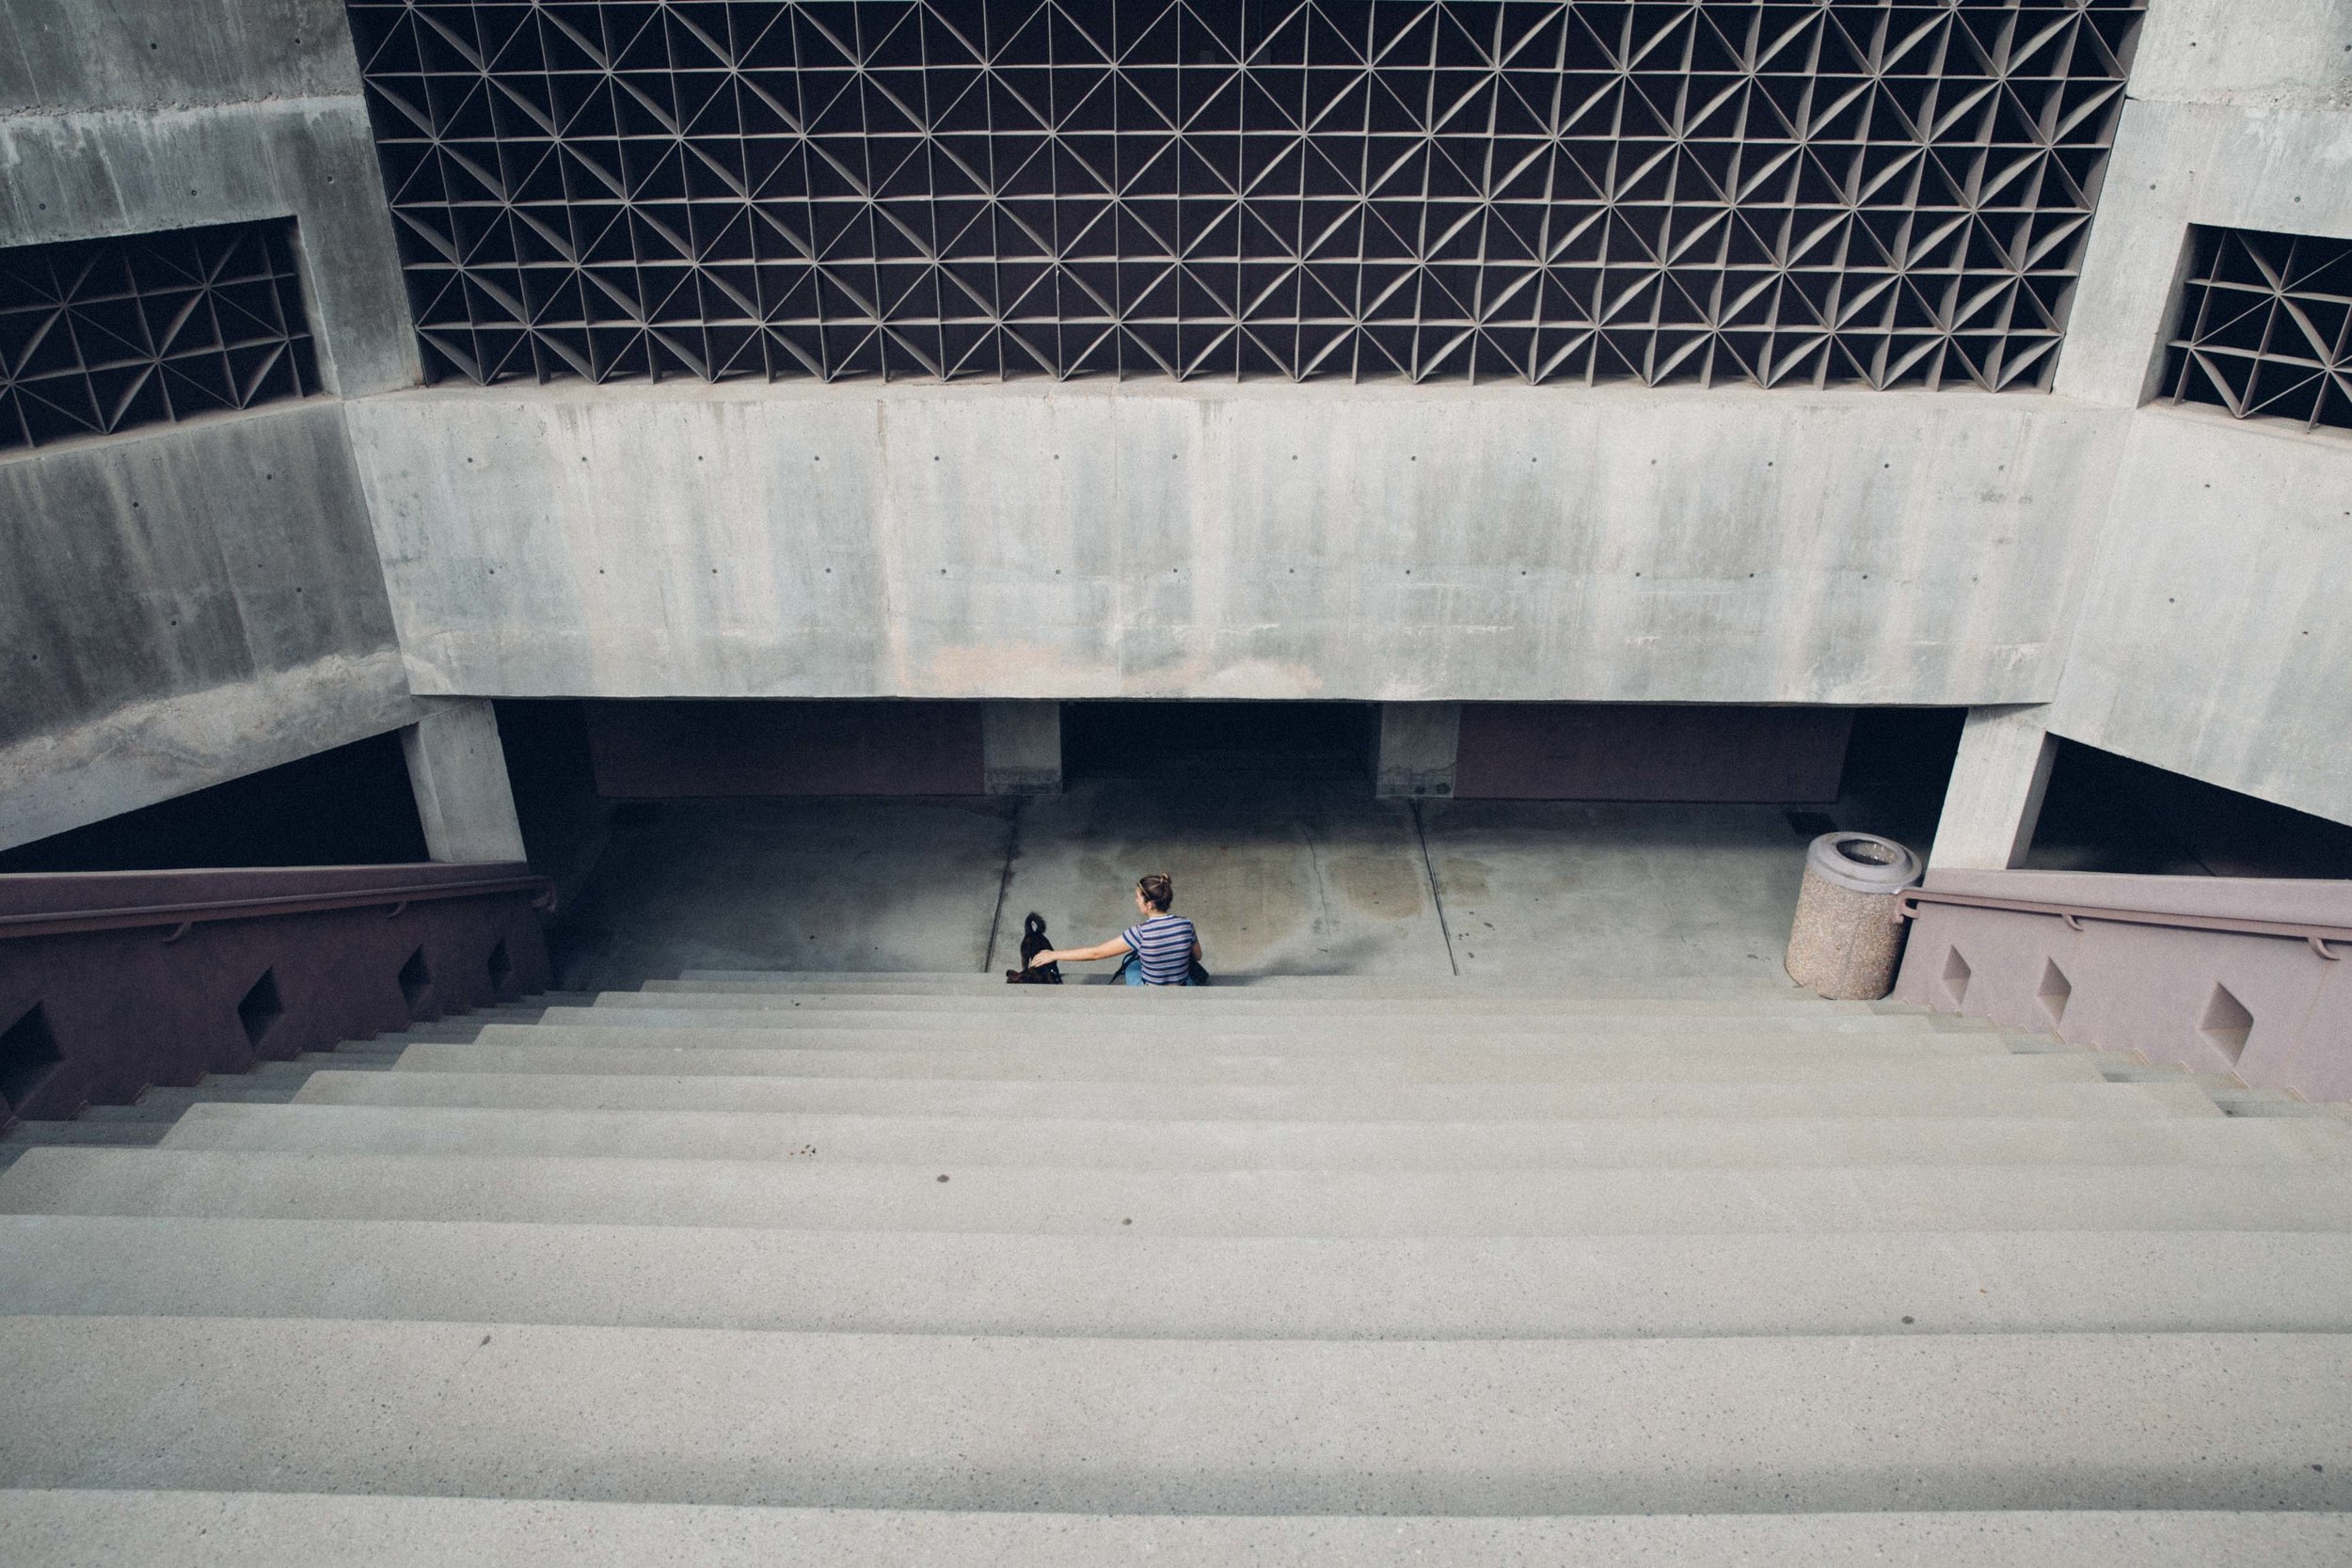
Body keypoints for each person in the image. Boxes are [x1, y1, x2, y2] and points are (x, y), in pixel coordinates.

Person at [1026, 872, 1202, 985]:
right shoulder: (1186, 924)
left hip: (1151, 989)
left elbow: (1097, 953)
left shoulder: (1140, 933)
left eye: (1138, 898)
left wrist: (1054, 955)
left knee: (1132, 962)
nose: (1135, 901)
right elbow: (1197, 956)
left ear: (1148, 904)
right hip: (1182, 985)